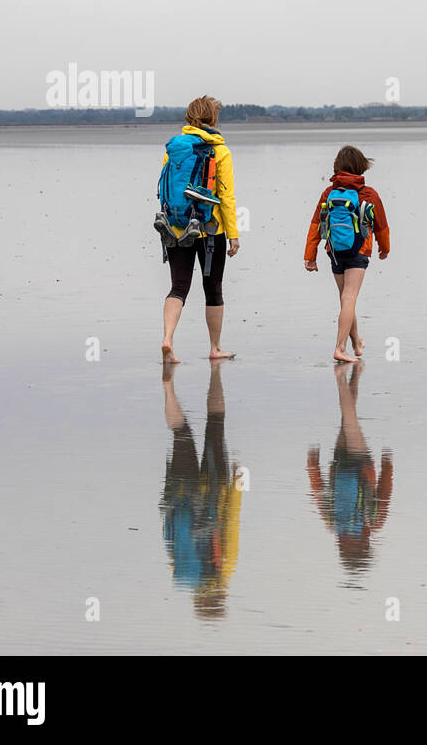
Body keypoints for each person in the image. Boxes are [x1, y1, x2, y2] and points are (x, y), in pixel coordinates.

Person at [159, 95, 240, 363]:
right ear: (213, 118)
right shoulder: (220, 150)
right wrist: (234, 235)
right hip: (209, 231)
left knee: (178, 287)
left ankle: (168, 338)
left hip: (176, 228)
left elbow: (164, 189)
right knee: (213, 288)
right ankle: (215, 348)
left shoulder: (174, 148)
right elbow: (226, 197)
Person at [160, 359, 243, 619]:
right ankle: (169, 389)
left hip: (213, 490)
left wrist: (238, 485)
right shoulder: (181, 571)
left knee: (215, 425)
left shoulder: (223, 569)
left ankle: (213, 374)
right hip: (180, 494)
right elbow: (170, 534)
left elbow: (230, 522)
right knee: (180, 435)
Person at [302, 145, 390, 363]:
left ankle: (356, 342)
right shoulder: (369, 194)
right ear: (360, 167)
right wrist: (384, 249)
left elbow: (316, 225)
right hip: (358, 252)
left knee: (346, 300)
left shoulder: (328, 193)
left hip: (334, 252)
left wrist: (310, 256)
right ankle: (340, 348)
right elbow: (382, 226)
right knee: (349, 298)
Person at [307, 361, 393, 574]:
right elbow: (320, 493)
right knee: (348, 419)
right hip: (338, 466)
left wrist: (388, 466)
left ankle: (342, 376)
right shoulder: (333, 524)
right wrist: (313, 466)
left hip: (361, 464)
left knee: (349, 419)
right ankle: (353, 374)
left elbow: (384, 493)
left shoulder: (371, 523)